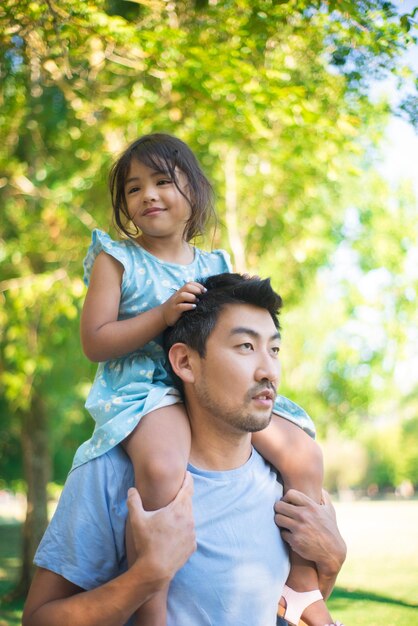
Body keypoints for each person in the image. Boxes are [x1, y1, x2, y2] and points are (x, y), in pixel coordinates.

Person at [69, 132, 331, 624]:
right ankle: (153, 608)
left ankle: (302, 587)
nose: (147, 195)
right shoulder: (116, 257)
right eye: (133, 188)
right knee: (165, 467)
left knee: (303, 454)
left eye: (163, 181)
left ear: (195, 194)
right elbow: (95, 341)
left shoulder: (215, 264)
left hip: (208, 383)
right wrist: (161, 316)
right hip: (147, 389)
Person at [23, 272, 346, 626]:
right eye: (245, 347)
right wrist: (145, 577)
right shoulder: (113, 472)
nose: (268, 370)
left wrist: (330, 565)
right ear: (185, 363)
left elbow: (288, 611)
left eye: (274, 349)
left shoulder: (285, 480)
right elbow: (38, 619)